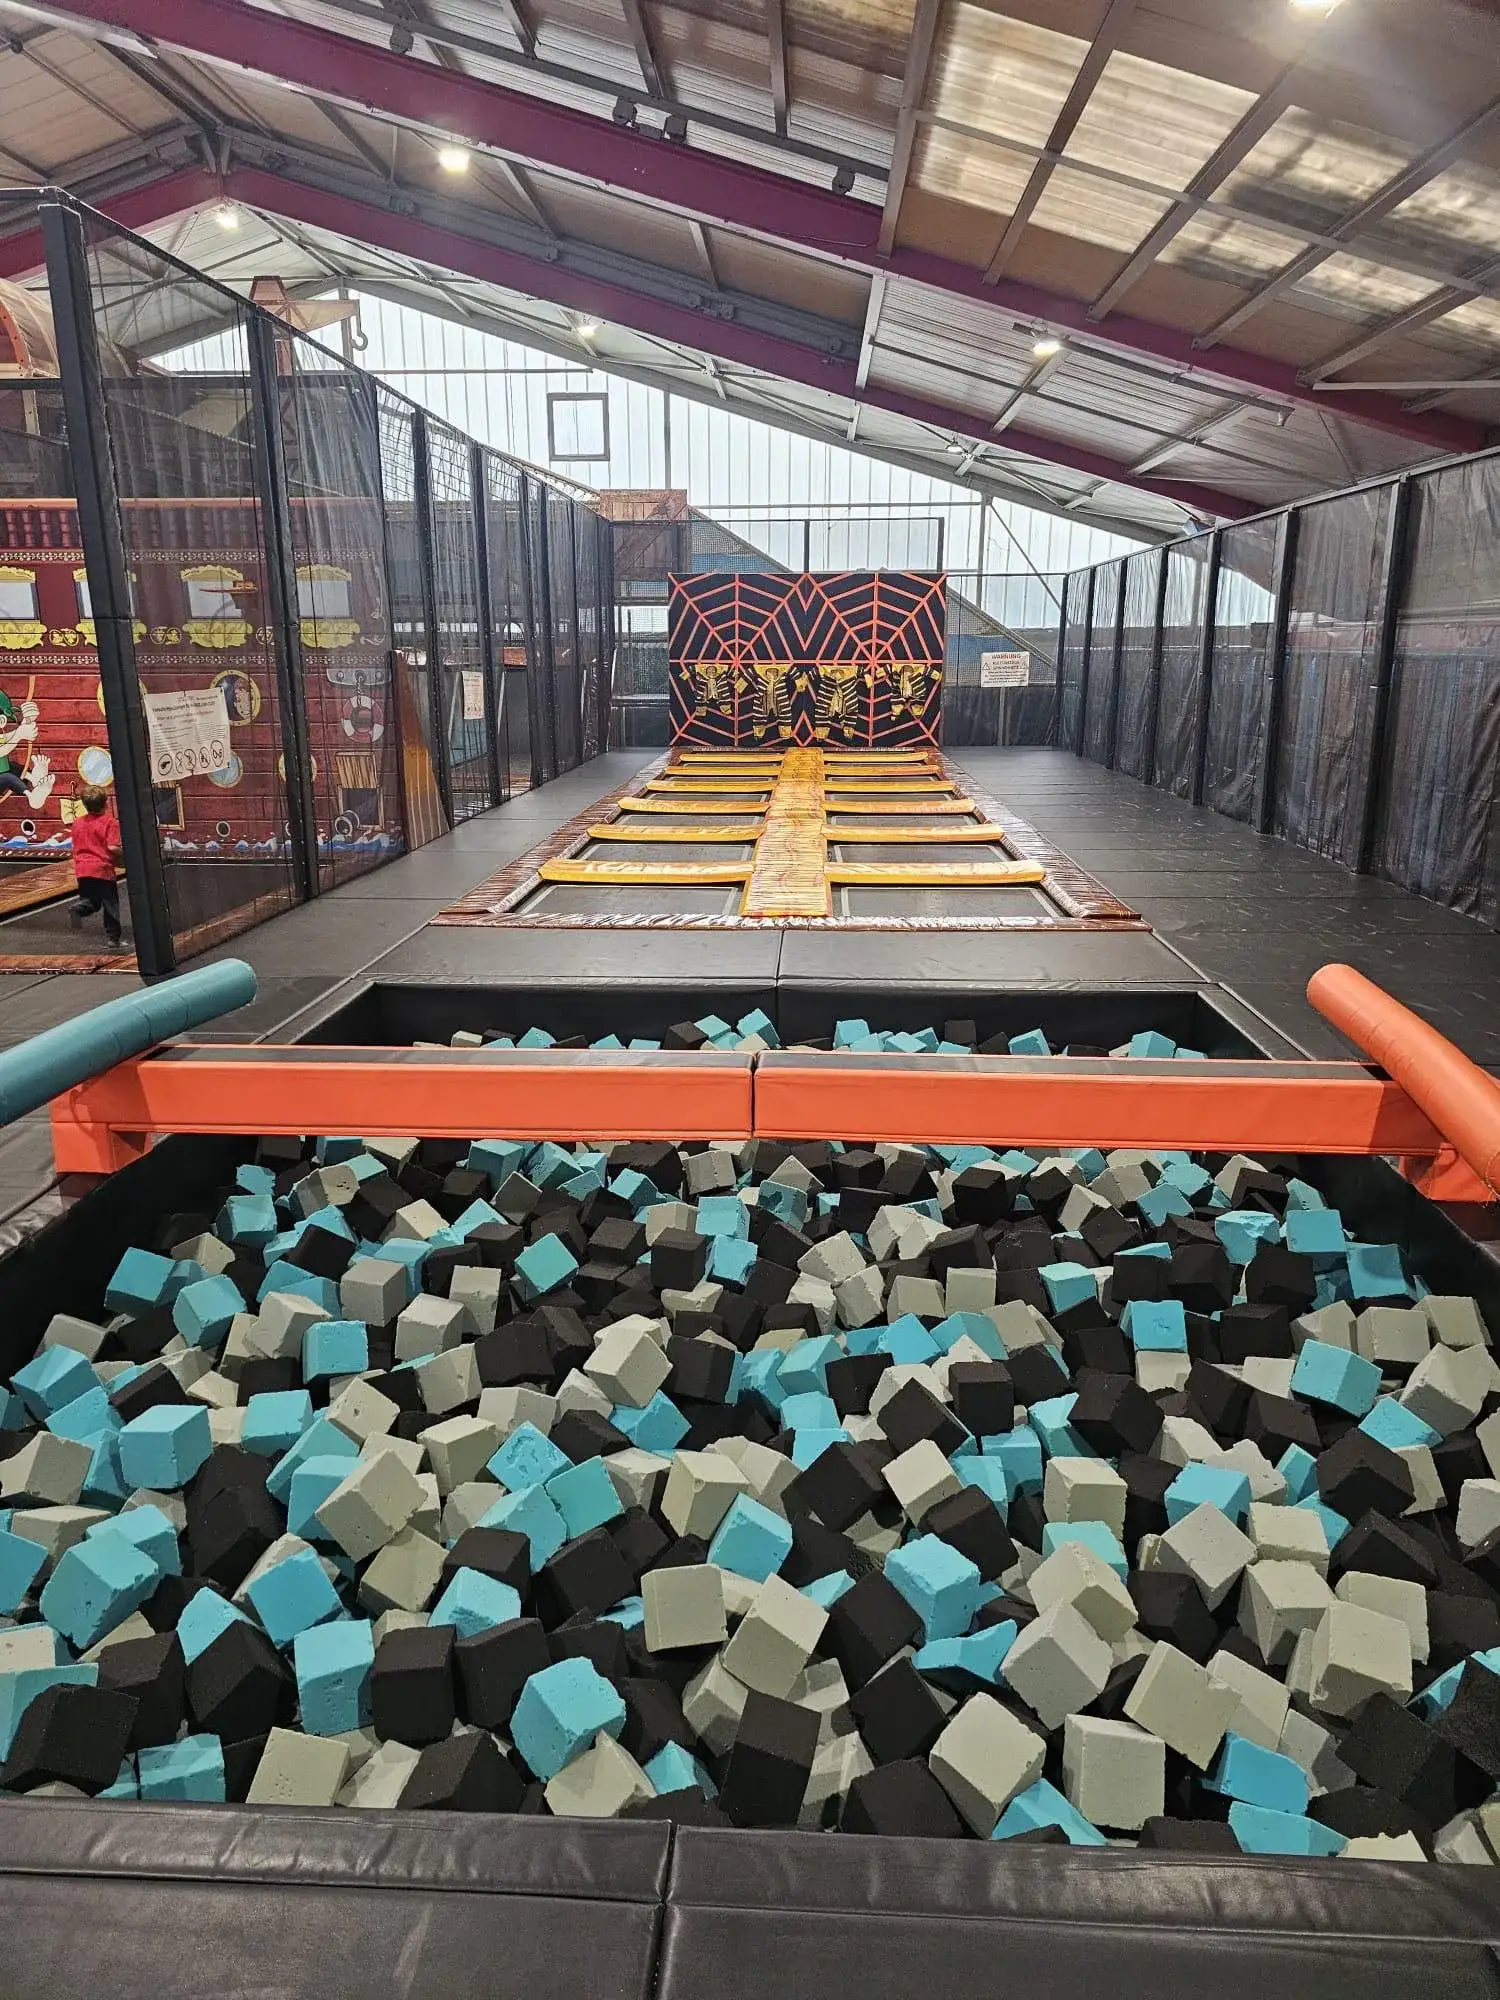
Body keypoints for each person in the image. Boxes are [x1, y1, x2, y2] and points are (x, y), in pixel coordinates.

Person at [68, 785, 126, 951]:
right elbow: (112, 847)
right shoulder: (109, 822)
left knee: (91, 902)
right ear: (105, 803)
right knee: (110, 905)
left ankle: (78, 909)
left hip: (82, 869)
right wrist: (126, 856)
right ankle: (113, 939)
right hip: (102, 869)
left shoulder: (77, 823)